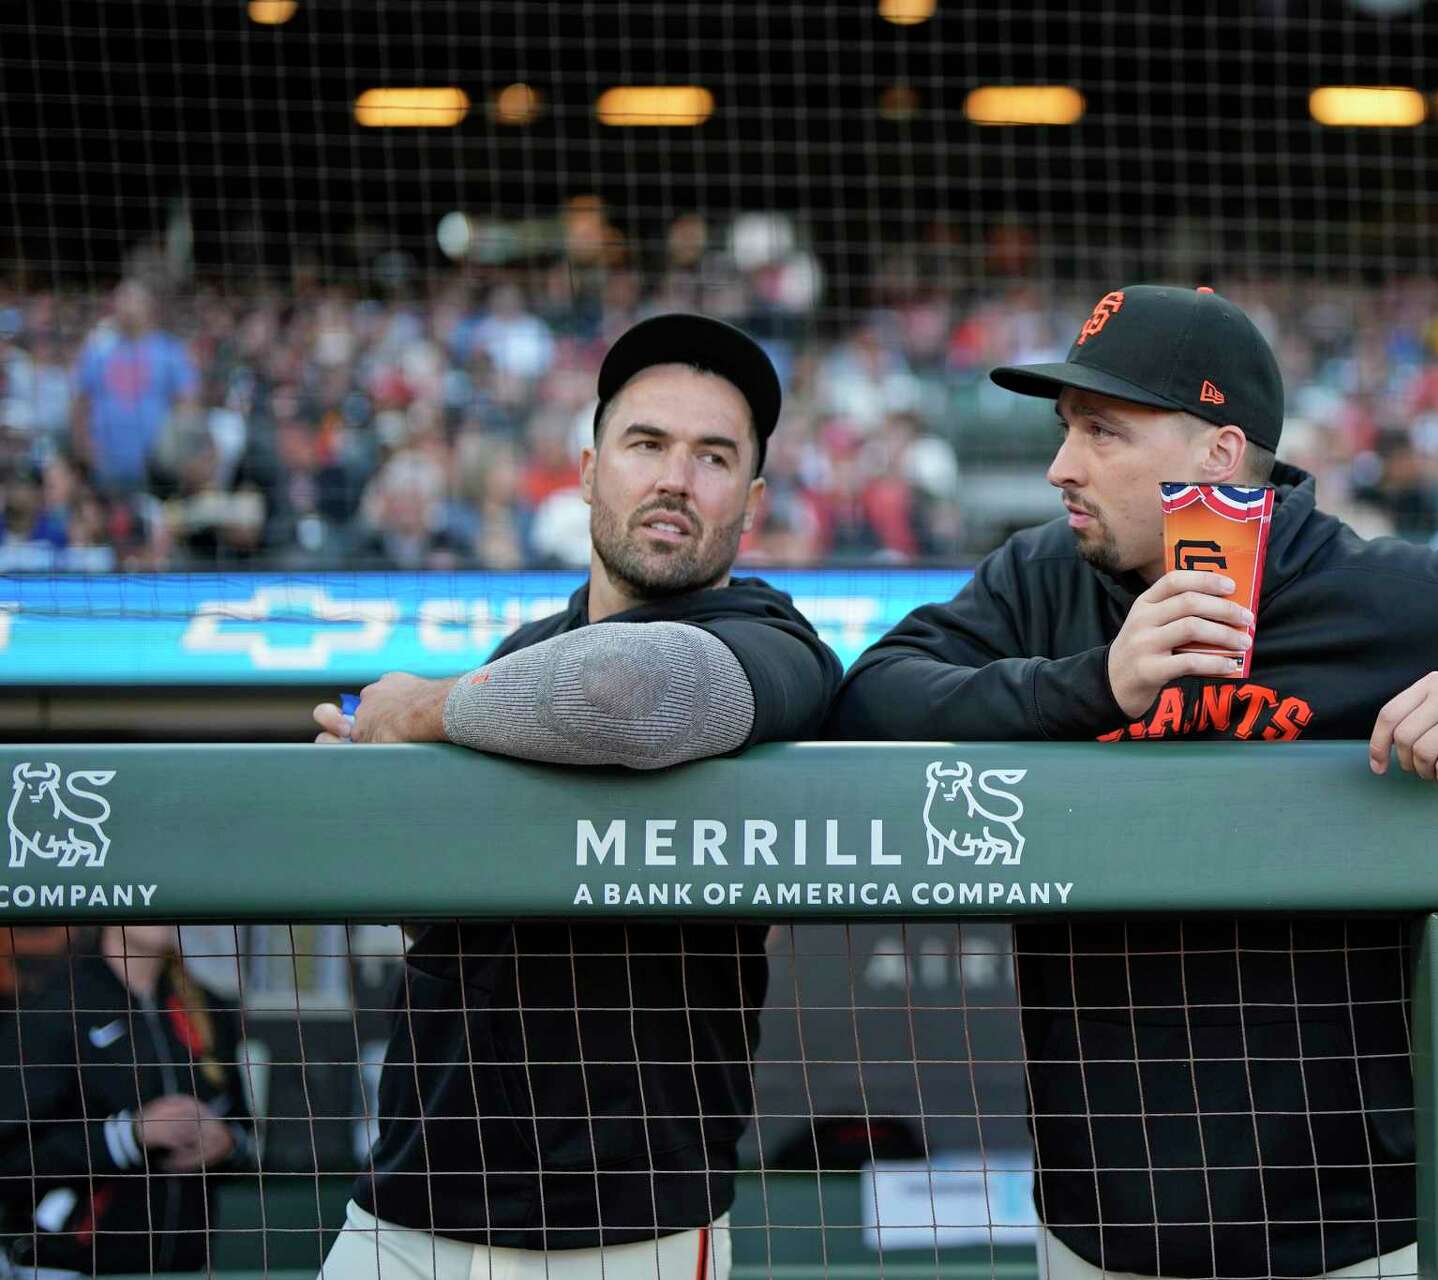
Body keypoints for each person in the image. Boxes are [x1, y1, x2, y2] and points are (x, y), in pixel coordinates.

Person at [830, 284, 1438, 1279]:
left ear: (1218, 455)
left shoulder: (1382, 592)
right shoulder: (1043, 578)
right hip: (1099, 1231)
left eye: (1102, 431)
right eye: (1064, 428)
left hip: (1349, 1238)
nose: (1061, 465)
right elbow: (875, 695)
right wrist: (1095, 684)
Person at [310, 314, 842, 1278]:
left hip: (627, 1224)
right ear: (591, 471)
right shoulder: (513, 665)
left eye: (713, 456)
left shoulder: (777, 642)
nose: (676, 477)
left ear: (752, 502)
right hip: (412, 1201)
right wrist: (373, 791)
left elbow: (622, 695)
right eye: (647, 445)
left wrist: (416, 712)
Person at [0, 924, 257, 1275]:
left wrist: (226, 1143)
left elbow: (246, 1135)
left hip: (183, 1268)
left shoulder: (206, 1008)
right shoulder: (56, 1006)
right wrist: (129, 1135)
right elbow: (12, 1159)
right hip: (68, 1266)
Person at [69, 281, 198, 494]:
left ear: (149, 307)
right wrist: (85, 449)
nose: (126, 307)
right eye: (120, 300)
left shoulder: (170, 351)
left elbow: (187, 405)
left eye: (132, 300)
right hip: (104, 467)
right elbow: (80, 402)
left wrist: (176, 455)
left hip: (156, 470)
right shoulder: (98, 349)